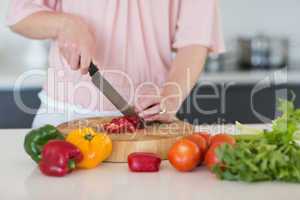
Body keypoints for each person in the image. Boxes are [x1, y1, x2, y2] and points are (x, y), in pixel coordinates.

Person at [7, 0, 224, 128]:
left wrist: (169, 98)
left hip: (148, 121)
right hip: (65, 115)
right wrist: (65, 24)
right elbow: (20, 15)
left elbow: (195, 42)